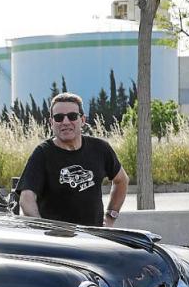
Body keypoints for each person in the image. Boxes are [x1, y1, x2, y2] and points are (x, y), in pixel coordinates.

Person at [16, 92, 129, 227]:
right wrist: (42, 228)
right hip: (57, 238)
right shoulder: (42, 154)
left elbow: (121, 180)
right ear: (51, 122)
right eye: (58, 118)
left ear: (82, 120)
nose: (65, 122)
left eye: (72, 116)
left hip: (94, 236)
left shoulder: (100, 148)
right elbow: (26, 198)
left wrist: (110, 216)